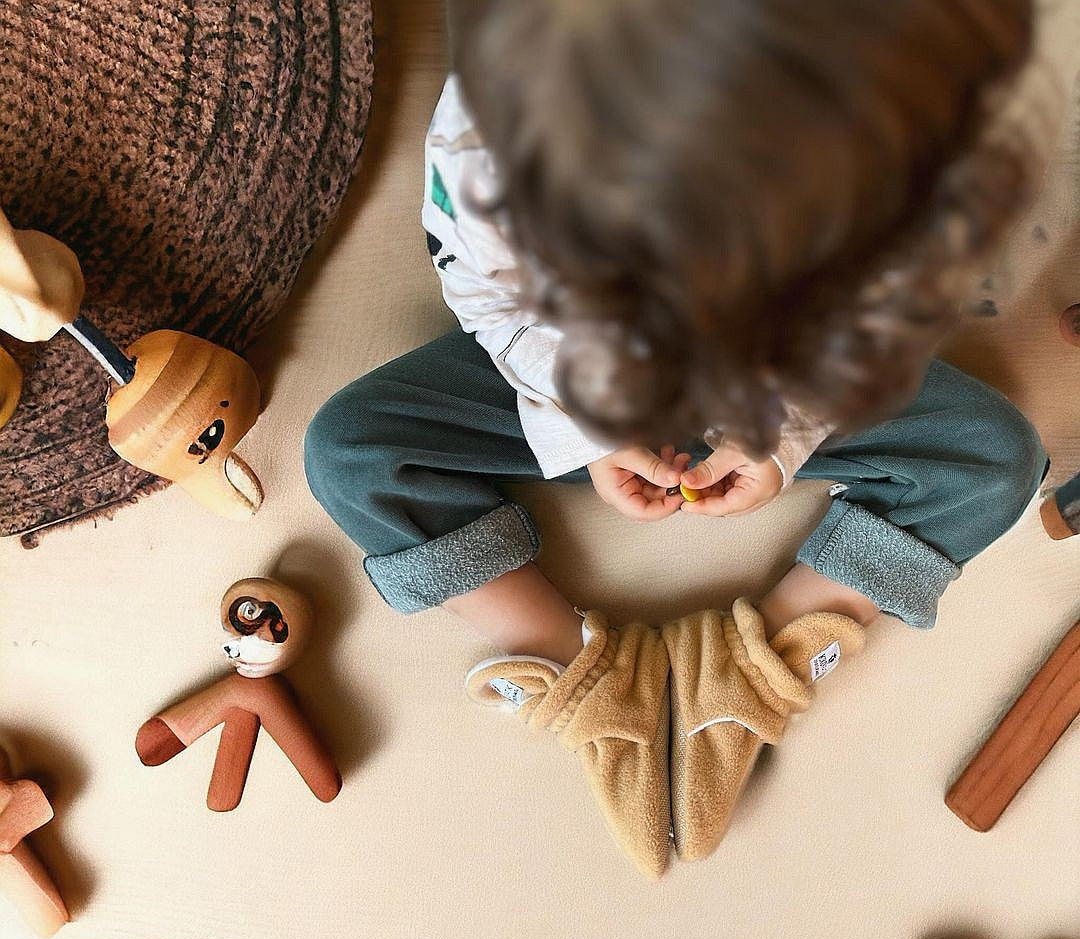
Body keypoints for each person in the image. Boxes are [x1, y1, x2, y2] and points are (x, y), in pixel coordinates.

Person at [305, 0, 1049, 877]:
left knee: (993, 452)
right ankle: (579, 667)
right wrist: (585, 422)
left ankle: (746, 662)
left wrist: (784, 425)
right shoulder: (493, 124)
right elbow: (487, 289)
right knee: (350, 450)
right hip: (564, 363)